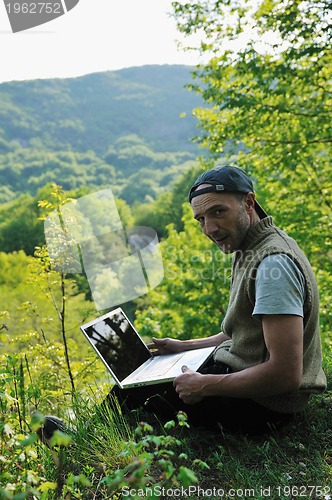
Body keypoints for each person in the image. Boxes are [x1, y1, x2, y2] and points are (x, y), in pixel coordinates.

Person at [42, 165, 327, 437]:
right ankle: (92, 435)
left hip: (264, 405)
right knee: (139, 378)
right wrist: (184, 347)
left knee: (136, 393)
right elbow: (242, 331)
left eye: (218, 212)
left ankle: (83, 442)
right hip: (246, 377)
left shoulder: (273, 265)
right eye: (201, 219)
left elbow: (286, 375)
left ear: (248, 203)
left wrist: (205, 385)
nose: (210, 229)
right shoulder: (251, 245)